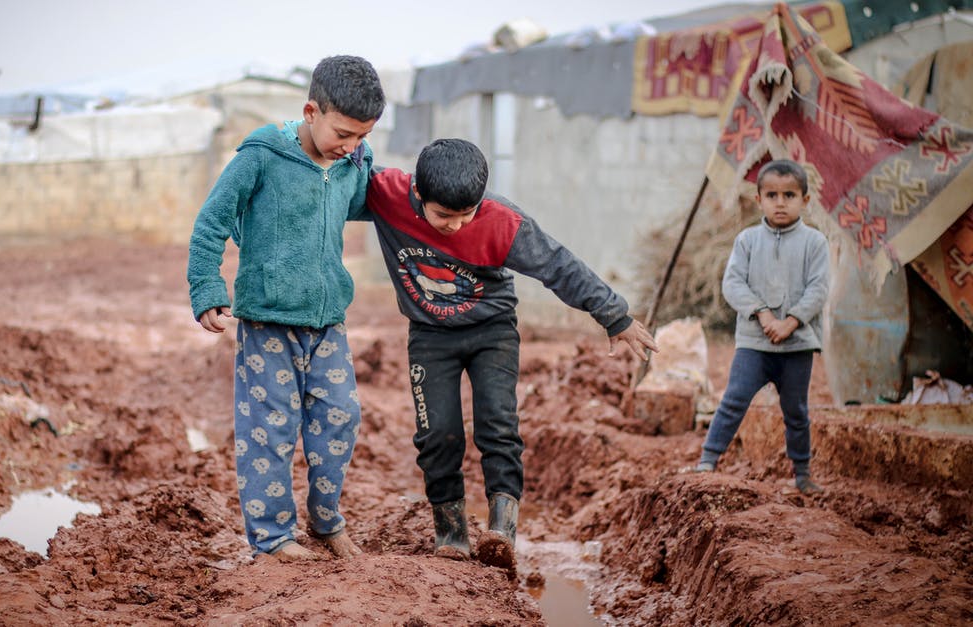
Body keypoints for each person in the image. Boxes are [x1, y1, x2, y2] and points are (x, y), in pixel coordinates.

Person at [360, 138, 658, 568]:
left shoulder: (502, 222)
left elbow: (559, 266)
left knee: (497, 426)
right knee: (437, 435)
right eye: (444, 216)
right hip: (430, 336)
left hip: (492, 331)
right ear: (419, 194)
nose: (456, 227)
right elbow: (342, 173)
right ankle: (452, 531)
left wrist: (615, 315)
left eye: (466, 215)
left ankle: (502, 530)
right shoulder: (386, 194)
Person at [186, 55, 385, 561]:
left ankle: (325, 520)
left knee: (340, 417)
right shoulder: (259, 156)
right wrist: (207, 287)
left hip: (327, 323)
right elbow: (212, 222)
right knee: (270, 430)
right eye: (344, 133)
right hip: (268, 322)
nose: (352, 146)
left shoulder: (350, 164)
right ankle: (273, 539)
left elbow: (370, 200)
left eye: (362, 137)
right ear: (311, 111)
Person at [693, 159, 830, 495]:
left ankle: (802, 474)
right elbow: (734, 284)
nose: (780, 202)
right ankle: (708, 460)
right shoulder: (747, 241)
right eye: (771, 195)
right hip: (754, 343)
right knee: (734, 399)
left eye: (789, 195)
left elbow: (819, 289)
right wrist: (764, 316)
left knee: (796, 411)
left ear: (805, 200)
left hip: (796, 346)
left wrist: (792, 322)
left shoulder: (815, 243)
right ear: (759, 200)